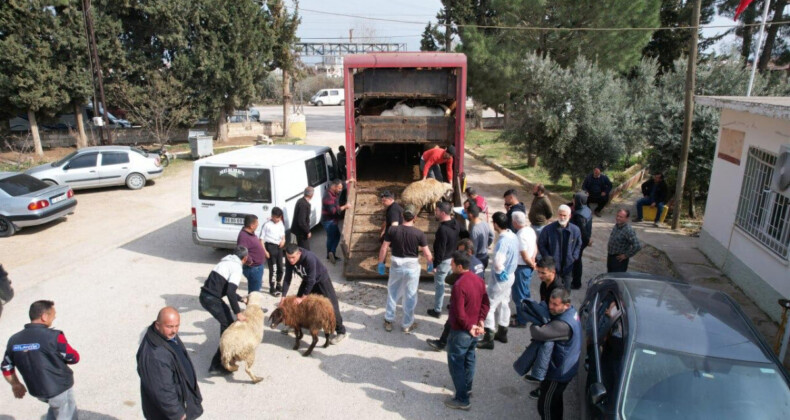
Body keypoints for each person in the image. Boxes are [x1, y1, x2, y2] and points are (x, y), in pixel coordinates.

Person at [2, 300, 80, 419]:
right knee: (66, 414)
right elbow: (73, 357)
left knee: (55, 409)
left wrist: (16, 385)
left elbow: (6, 367)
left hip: (37, 391)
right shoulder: (54, 336)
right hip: (59, 388)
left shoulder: (14, 340)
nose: (55, 317)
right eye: (53, 314)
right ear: (44, 316)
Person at [137, 307, 203, 420]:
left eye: (177, 326)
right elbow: (162, 391)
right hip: (169, 414)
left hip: (182, 400)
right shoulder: (155, 355)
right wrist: (178, 414)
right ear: (157, 325)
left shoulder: (167, 335)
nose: (174, 330)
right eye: (170, 326)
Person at [444, 251, 490, 411]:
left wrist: (470, 327)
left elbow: (459, 313)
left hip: (462, 332)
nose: (450, 266)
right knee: (470, 358)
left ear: (460, 266)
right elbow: (486, 303)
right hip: (475, 330)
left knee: (456, 364)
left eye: (452, 264)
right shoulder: (479, 280)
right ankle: (467, 389)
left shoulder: (458, 285)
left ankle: (462, 399)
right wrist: (480, 322)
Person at [378, 204, 433, 333]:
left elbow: (384, 247)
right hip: (412, 267)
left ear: (402, 216)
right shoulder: (419, 233)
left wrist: (381, 262)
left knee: (392, 292)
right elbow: (427, 253)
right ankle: (407, 324)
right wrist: (430, 264)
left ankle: (389, 320)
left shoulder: (392, 230)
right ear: (415, 217)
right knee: (410, 295)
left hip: (396, 264)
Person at [426, 238, 485, 351]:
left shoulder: (466, 266)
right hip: (476, 298)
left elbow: (450, 280)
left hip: (466, 299)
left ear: (469, 252)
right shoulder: (479, 263)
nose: (459, 254)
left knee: (454, 321)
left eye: (461, 251)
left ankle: (443, 343)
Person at [282, 244, 348, 344]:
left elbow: (312, 280)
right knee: (298, 305)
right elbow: (287, 278)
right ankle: (297, 325)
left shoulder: (309, 257)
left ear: (299, 253)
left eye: (293, 257)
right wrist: (283, 296)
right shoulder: (289, 258)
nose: (291, 260)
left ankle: (341, 331)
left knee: (332, 307)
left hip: (321, 280)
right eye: (288, 257)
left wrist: (303, 297)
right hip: (307, 280)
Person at [532, 288, 581, 420]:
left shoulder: (562, 325)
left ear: (566, 305)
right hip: (567, 365)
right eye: (550, 302)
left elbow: (538, 333)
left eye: (555, 304)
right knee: (556, 400)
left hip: (558, 373)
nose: (550, 307)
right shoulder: (572, 312)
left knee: (545, 405)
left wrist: (535, 325)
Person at [199, 246, 249, 374]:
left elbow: (226, 289)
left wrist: (241, 299)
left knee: (227, 325)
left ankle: (224, 356)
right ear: (245, 258)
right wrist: (238, 313)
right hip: (212, 299)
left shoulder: (226, 262)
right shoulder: (237, 268)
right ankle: (218, 364)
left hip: (205, 296)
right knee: (227, 327)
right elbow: (230, 292)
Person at [478, 212, 519, 350]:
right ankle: (502, 332)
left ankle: (488, 337)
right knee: (504, 303)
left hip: (502, 278)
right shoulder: (513, 235)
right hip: (511, 275)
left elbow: (497, 262)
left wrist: (500, 273)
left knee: (489, 305)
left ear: (495, 224)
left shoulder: (502, 242)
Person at [428, 201, 461, 318]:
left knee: (440, 286)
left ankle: (437, 310)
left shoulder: (443, 229)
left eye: (436, 211)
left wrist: (436, 265)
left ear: (442, 213)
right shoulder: (456, 223)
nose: (435, 213)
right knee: (453, 284)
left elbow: (440, 249)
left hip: (444, 261)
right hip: (453, 259)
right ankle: (454, 304)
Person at [538, 205, 581, 291]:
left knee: (566, 292)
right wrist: (549, 259)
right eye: (560, 215)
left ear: (569, 216)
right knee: (551, 291)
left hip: (568, 267)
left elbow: (578, 244)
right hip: (552, 268)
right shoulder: (548, 229)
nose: (562, 217)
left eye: (564, 215)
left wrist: (574, 257)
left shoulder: (575, 230)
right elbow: (541, 244)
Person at [511, 211, 538, 328]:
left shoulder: (520, 235)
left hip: (522, 267)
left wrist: (530, 263)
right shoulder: (530, 230)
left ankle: (521, 321)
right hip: (527, 266)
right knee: (525, 292)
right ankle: (524, 315)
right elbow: (535, 246)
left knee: (520, 295)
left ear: (515, 222)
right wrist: (533, 259)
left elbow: (524, 255)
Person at [322, 179, 350, 264]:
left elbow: (342, 185)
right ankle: (330, 253)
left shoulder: (333, 191)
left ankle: (330, 253)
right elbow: (333, 211)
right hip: (329, 221)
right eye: (339, 188)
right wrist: (345, 206)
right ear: (334, 187)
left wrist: (348, 181)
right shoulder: (328, 197)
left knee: (336, 236)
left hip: (332, 220)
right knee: (332, 237)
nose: (340, 190)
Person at [237, 214, 266, 293]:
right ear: (251, 225)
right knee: (254, 293)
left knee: (255, 290)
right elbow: (241, 251)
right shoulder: (243, 236)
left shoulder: (250, 233)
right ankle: (252, 305)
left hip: (257, 267)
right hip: (253, 269)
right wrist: (250, 261)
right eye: (256, 223)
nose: (258, 225)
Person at [261, 207, 287, 296]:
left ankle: (279, 283)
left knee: (280, 267)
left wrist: (283, 240)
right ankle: (272, 287)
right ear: (272, 216)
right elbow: (261, 239)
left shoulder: (280, 223)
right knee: (274, 269)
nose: (278, 219)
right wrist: (265, 251)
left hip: (279, 247)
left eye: (280, 218)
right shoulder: (267, 225)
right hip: (270, 247)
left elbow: (283, 234)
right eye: (277, 217)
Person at [570, 192, 593, 290]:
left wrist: (587, 240)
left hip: (578, 242)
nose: (573, 201)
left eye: (574, 199)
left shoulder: (579, 215)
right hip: (583, 240)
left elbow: (582, 231)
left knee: (576, 261)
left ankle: (576, 283)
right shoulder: (587, 209)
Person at [468, 205, 493, 272]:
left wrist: (471, 262)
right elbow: (491, 236)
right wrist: (486, 245)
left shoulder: (474, 230)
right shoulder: (485, 223)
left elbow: (474, 249)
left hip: (478, 259)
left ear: (470, 214)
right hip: (485, 256)